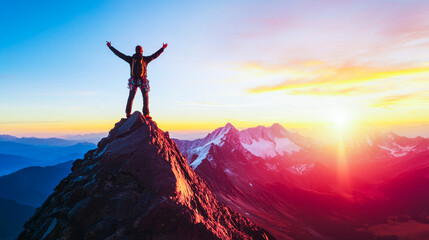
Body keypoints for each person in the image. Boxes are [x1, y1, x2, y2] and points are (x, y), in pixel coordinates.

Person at [107, 41, 167, 118]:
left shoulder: (131, 59)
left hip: (133, 80)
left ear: (135, 51)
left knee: (131, 96)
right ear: (142, 51)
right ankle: (146, 114)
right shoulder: (145, 59)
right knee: (145, 97)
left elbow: (120, 55)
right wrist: (162, 48)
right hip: (143, 80)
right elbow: (154, 55)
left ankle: (128, 113)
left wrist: (110, 47)